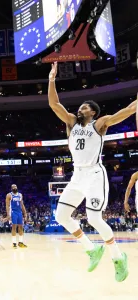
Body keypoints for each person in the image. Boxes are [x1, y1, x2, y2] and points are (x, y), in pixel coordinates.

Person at [49, 61, 135, 282]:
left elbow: (127, 111)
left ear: (93, 112)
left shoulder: (100, 124)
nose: (80, 108)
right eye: (80, 106)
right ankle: (91, 249)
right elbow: (55, 104)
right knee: (61, 216)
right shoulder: (71, 123)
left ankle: (118, 258)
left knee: (95, 218)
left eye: (85, 107)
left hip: (95, 175)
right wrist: (51, 79)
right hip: (77, 176)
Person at [4, 184, 27, 249]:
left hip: (19, 212)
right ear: (11, 188)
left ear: (17, 188)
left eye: (15, 187)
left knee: (21, 227)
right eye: (13, 187)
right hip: (13, 212)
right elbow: (7, 205)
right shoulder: (9, 195)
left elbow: (22, 205)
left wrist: (25, 213)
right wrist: (8, 215)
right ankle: (14, 243)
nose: (14, 188)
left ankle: (20, 242)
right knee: (14, 227)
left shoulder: (20, 195)